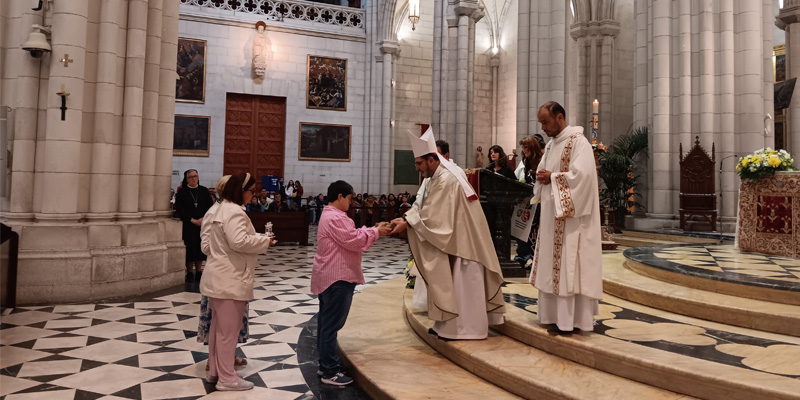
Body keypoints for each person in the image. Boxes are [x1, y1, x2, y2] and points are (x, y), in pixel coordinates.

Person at [390, 128, 505, 340]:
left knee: (463, 283)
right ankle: (448, 327)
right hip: (455, 238)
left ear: (432, 159)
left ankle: (466, 329)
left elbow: (435, 215)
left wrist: (408, 222)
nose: (417, 169)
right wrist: (406, 218)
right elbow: (426, 205)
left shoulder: (447, 178)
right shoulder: (437, 175)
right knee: (452, 281)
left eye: (419, 164)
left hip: (463, 242)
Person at [530, 101, 602, 336]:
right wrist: (543, 177)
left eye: (545, 122)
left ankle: (570, 321)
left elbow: (583, 179)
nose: (543, 127)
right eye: (541, 122)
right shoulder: (551, 146)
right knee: (553, 268)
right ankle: (552, 317)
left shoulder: (578, 143)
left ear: (559, 117)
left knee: (569, 268)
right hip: (552, 218)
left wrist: (552, 177)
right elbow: (545, 172)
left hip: (571, 221)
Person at [311, 180, 392, 385]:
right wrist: (376, 232)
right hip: (338, 277)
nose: (351, 202)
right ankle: (330, 371)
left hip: (331, 275)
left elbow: (351, 235)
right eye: (349, 198)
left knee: (326, 323)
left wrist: (373, 228)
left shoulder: (332, 215)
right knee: (330, 326)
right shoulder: (335, 217)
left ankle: (326, 365)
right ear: (340, 197)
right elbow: (353, 240)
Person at [200, 172, 275, 391]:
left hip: (220, 278)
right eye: (252, 191)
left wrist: (259, 239)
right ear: (241, 191)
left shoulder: (221, 209)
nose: (253, 195)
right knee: (228, 333)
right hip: (229, 279)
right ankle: (227, 379)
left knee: (218, 330)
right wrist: (263, 241)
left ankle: (216, 372)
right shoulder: (234, 212)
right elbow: (239, 241)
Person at [196, 176, 249, 373]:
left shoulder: (231, 210)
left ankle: (226, 357)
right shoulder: (215, 212)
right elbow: (206, 246)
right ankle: (215, 361)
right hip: (221, 274)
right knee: (218, 323)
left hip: (232, 274)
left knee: (231, 324)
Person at [174, 169, 215, 283]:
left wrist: (202, 219)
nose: (194, 178)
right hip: (188, 225)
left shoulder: (203, 190)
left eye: (195, 176)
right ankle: (189, 272)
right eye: (191, 177)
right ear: (186, 179)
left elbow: (210, 207)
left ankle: (198, 271)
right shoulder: (182, 192)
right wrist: (191, 220)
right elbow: (180, 208)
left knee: (199, 248)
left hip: (202, 225)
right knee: (189, 249)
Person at [513, 136, 545, 267]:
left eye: (526, 147)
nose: (523, 150)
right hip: (528, 201)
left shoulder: (542, 159)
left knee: (535, 232)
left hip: (540, 202)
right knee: (525, 230)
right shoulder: (526, 160)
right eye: (522, 147)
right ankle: (525, 256)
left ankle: (536, 258)